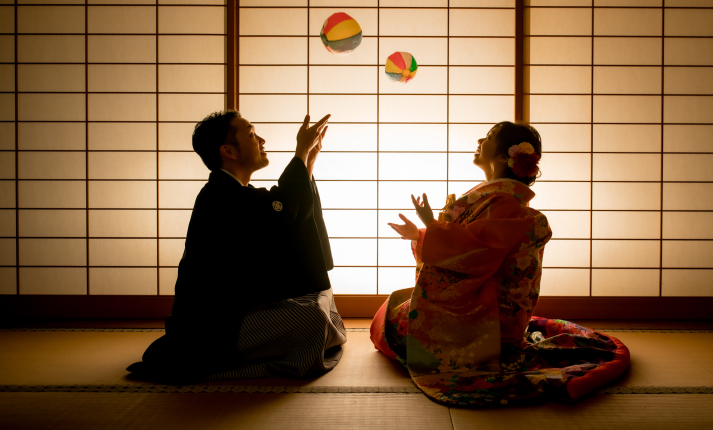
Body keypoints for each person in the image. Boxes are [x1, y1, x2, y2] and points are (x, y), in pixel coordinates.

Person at [371, 121, 630, 406]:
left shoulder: (504, 204)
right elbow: (469, 245)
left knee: (394, 323)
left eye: (490, 136)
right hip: (490, 304)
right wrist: (423, 233)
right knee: (397, 310)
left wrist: (431, 226)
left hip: (488, 315)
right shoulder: (497, 199)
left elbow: (474, 252)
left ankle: (479, 346)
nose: (481, 139)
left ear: (503, 156)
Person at [128, 110, 346, 383]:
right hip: (213, 328)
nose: (262, 140)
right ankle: (223, 367)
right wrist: (300, 153)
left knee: (321, 298)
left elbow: (281, 219)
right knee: (312, 318)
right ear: (228, 151)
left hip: (240, 311)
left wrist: (307, 163)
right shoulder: (219, 197)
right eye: (253, 134)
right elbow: (283, 212)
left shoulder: (236, 194)